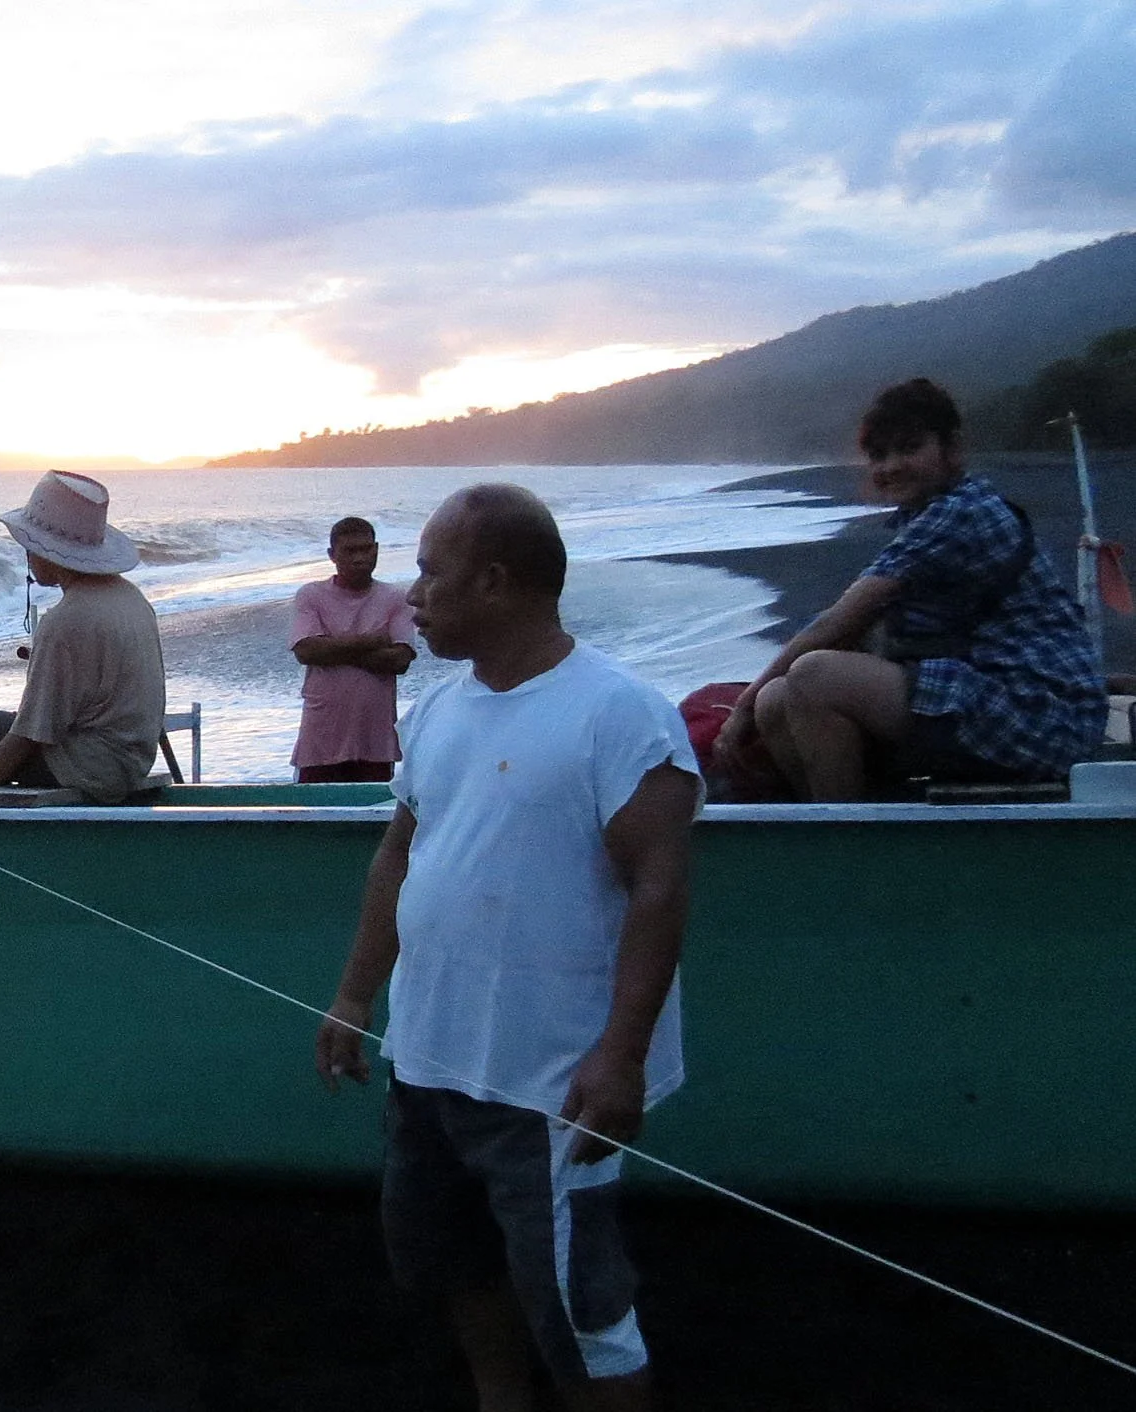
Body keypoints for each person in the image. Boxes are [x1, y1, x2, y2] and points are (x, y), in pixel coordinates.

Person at [316, 484, 699, 1412]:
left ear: (494, 581)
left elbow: (659, 887)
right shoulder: (440, 712)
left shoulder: (620, 714)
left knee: (582, 1310)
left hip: (550, 1082)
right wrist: (355, 997)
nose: (412, 596)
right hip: (432, 1062)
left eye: (431, 574)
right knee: (454, 1266)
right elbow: (397, 859)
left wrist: (618, 1058)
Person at [718, 379, 1106, 801]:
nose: (890, 466)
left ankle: (851, 842)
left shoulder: (963, 512)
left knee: (814, 675)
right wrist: (759, 700)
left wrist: (740, 709)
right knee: (776, 699)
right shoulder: (927, 516)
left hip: (1041, 714)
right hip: (990, 694)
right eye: (879, 455)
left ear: (951, 448)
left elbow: (841, 618)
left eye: (908, 448)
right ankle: (843, 816)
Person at [0, 471, 166, 803]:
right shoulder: (132, 598)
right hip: (130, 762)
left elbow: (28, 736)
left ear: (51, 552)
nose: (27, 555)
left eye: (30, 545)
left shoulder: (65, 620)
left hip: (85, 767)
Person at [290, 516, 416, 782]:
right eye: (350, 551)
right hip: (321, 738)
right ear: (332, 555)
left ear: (377, 550)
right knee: (314, 819)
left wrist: (332, 647)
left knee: (370, 818)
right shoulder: (311, 595)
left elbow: (400, 660)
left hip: (375, 741)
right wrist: (371, 641)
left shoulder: (395, 598)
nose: (360, 558)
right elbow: (306, 652)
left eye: (366, 549)